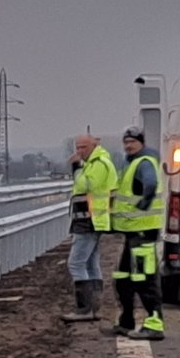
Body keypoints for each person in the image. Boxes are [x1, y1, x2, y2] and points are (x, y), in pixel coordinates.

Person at [110, 126, 165, 340]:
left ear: (141, 143)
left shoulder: (144, 163)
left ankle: (154, 324)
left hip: (143, 232)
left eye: (132, 142)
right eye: (125, 142)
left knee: (145, 279)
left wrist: (143, 204)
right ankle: (126, 321)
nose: (128, 145)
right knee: (123, 277)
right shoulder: (131, 163)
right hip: (132, 232)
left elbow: (150, 184)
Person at [62, 133, 116, 323]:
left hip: (89, 221)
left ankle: (84, 309)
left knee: (76, 263)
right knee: (91, 264)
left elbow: (85, 185)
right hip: (90, 220)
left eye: (83, 147)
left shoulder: (99, 164)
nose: (79, 151)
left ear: (94, 145)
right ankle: (94, 309)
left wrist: (76, 167)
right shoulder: (94, 164)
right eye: (77, 147)